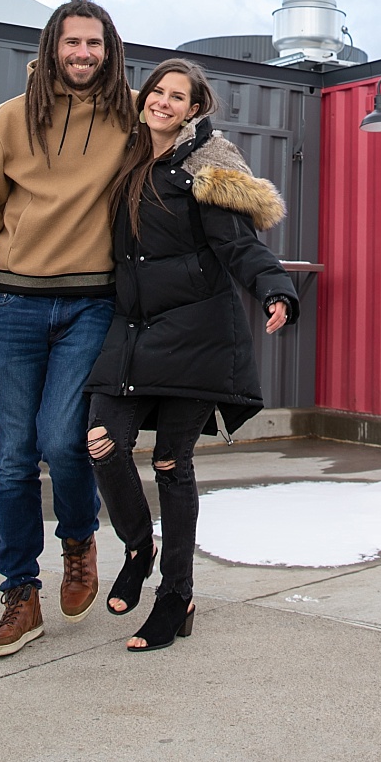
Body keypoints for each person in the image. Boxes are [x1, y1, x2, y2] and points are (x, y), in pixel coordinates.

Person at [84, 58, 299, 651]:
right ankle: (137, 545)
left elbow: (239, 245)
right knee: (101, 441)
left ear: (194, 109)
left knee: (172, 463)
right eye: (158, 91)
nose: (165, 102)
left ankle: (176, 595)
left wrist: (275, 288)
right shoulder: (121, 159)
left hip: (198, 337)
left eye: (179, 97)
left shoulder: (203, 170)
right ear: (144, 96)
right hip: (132, 333)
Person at [0, 0, 135, 658]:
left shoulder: (131, 116)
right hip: (17, 307)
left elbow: (189, 151)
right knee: (13, 459)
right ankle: (19, 595)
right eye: (72, 42)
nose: (83, 54)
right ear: (53, 46)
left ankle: (79, 540)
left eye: (94, 44)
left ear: (109, 50)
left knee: (65, 441)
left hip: (92, 305)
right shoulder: (10, 117)